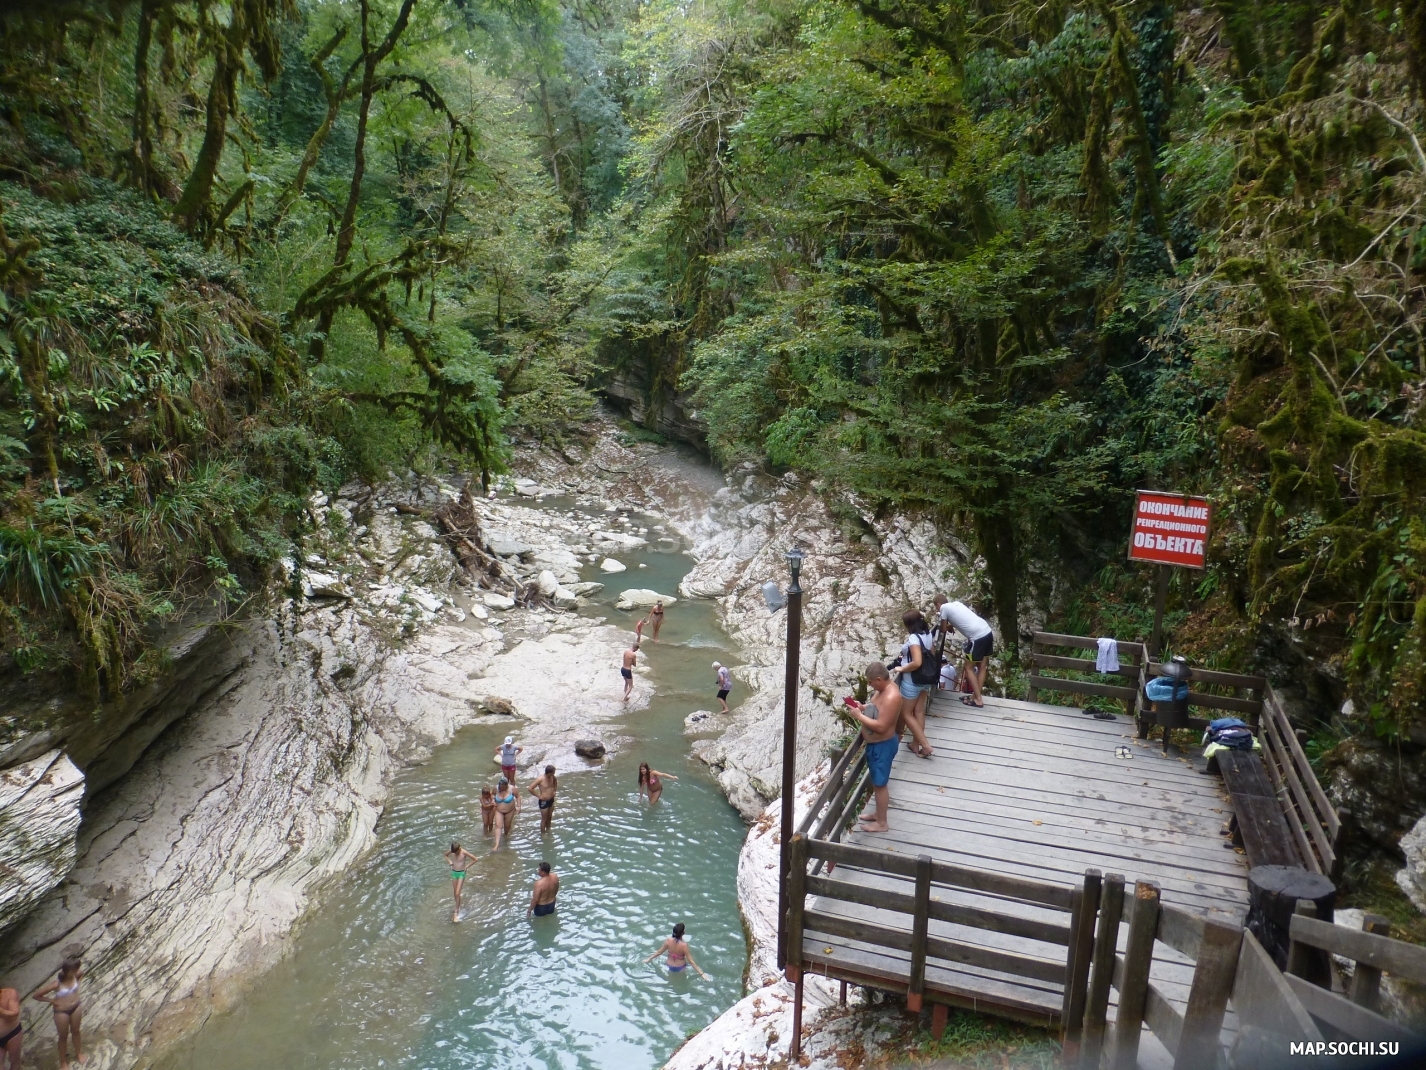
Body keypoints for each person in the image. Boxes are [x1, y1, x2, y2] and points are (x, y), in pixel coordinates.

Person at [844, 662, 902, 832]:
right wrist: (861, 707)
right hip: (875, 745)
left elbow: (882, 726)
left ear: (879, 679)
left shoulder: (892, 696)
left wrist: (859, 717)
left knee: (880, 784)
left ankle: (882, 823)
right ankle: (878, 813)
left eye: (870, 682)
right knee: (877, 783)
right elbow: (876, 709)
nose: (869, 685)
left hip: (882, 745)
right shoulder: (881, 690)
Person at [888, 610, 935, 758]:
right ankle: (915, 744)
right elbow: (931, 653)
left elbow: (917, 662)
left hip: (912, 680)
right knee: (919, 711)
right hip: (926, 679)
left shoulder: (914, 638)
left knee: (906, 713)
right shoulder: (928, 634)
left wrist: (901, 668)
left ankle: (926, 746)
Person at [935, 595, 994, 709]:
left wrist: (946, 625)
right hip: (987, 632)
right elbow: (962, 619)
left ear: (938, 605)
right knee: (982, 667)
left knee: (968, 668)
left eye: (937, 608)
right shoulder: (956, 603)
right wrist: (950, 625)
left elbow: (942, 629)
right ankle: (975, 696)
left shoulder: (943, 608)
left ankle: (978, 700)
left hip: (977, 638)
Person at [31, 957, 83, 1068]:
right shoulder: (57, 984)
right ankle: (63, 1061)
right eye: (75, 969)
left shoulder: (76, 974)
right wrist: (51, 1001)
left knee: (76, 1031)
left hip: (76, 1007)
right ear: (69, 971)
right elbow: (36, 996)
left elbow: (81, 974)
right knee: (63, 1037)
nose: (78, 970)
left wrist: (77, 985)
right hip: (62, 1012)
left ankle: (79, 1053)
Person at [443, 841, 479, 922]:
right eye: (454, 852)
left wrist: (467, 866)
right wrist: (450, 862)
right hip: (454, 873)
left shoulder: (464, 852)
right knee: (455, 892)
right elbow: (445, 855)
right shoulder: (452, 850)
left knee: (457, 893)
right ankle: (458, 906)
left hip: (461, 873)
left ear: (459, 848)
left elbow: (475, 859)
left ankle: (456, 912)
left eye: (456, 852)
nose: (455, 854)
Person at [528, 764, 558, 833]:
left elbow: (555, 783)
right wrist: (539, 796)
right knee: (544, 819)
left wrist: (554, 791)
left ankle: (548, 830)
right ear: (549, 773)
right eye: (553, 772)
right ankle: (543, 834)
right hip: (544, 801)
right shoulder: (540, 779)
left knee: (550, 817)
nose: (554, 774)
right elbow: (530, 788)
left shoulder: (553, 777)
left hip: (551, 799)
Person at [493, 777, 520, 849]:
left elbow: (518, 797)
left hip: (510, 811)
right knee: (498, 825)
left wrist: (519, 806)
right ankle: (497, 845)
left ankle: (505, 836)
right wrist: (493, 801)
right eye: (500, 787)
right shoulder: (496, 788)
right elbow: (492, 795)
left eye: (503, 787)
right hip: (498, 810)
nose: (501, 788)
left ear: (507, 785)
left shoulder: (512, 789)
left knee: (507, 826)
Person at [0, 987, 21, 1070]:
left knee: (15, 1061)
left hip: (12, 1033)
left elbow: (15, 1013)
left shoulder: (10, 993)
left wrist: (1, 1011)